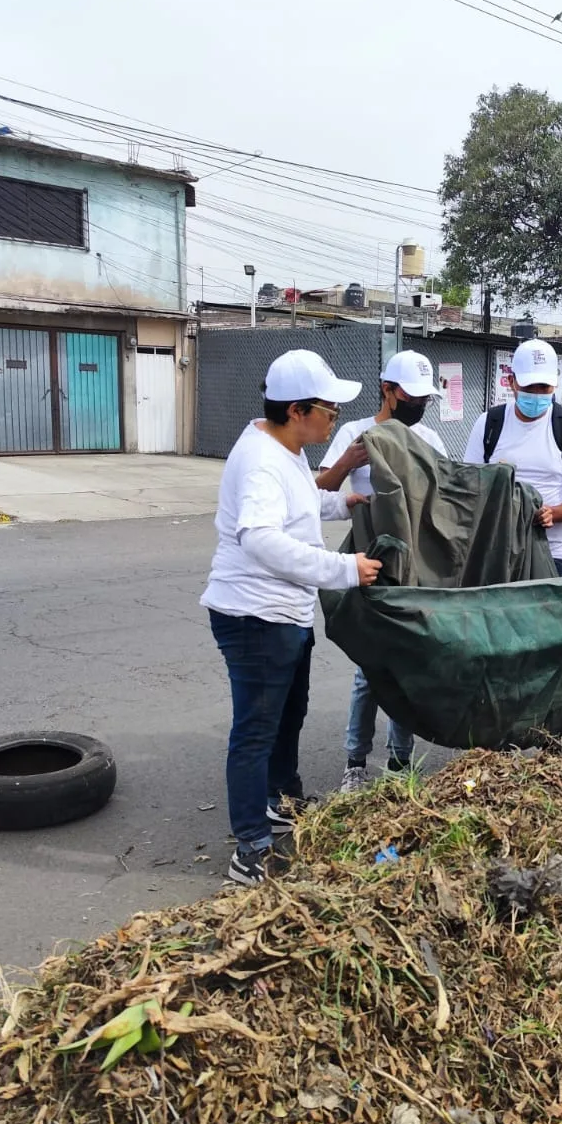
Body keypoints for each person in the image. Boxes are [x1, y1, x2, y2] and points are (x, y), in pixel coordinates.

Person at [201, 350, 383, 887]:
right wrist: (342, 568)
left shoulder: (285, 447)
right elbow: (259, 536)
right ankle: (250, 846)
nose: (334, 418)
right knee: (256, 729)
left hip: (286, 612)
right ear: (298, 409)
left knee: (287, 715)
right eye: (328, 409)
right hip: (255, 614)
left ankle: (282, 799)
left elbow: (300, 505)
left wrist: (343, 503)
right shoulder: (260, 459)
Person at [317, 350, 447, 794]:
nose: (418, 405)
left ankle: (399, 762)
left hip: (417, 567)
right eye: (410, 396)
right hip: (368, 564)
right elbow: (319, 493)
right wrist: (351, 470)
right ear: (387, 390)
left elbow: (449, 496)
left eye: (424, 398)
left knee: (407, 666)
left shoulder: (429, 438)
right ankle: (356, 762)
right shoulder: (356, 434)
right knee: (368, 669)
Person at [464, 340, 562, 575]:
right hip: (496, 552)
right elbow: (470, 488)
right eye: (529, 386)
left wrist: (551, 513)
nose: (536, 394)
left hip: (552, 553)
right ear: (511, 381)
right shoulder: (489, 423)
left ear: (555, 384)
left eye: (544, 387)